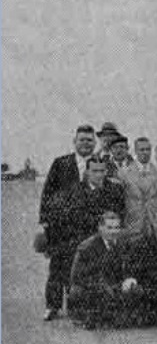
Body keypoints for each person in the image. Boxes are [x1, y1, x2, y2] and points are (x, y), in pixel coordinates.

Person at [38, 124, 97, 321]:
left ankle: (79, 306)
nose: (86, 144)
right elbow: (47, 192)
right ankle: (52, 306)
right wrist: (46, 222)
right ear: (75, 141)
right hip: (62, 227)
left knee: (84, 267)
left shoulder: (101, 164)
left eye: (90, 140)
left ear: (95, 143)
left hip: (89, 227)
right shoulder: (60, 163)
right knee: (58, 266)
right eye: (82, 140)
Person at [68, 211, 144, 329]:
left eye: (116, 228)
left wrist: (129, 279)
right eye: (109, 228)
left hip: (115, 286)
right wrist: (103, 286)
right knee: (94, 296)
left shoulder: (124, 243)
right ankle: (91, 317)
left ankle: (116, 317)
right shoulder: (87, 247)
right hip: (93, 288)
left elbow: (130, 265)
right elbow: (77, 277)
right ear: (100, 228)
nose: (113, 232)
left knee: (136, 290)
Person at [118, 137, 157, 239]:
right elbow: (120, 202)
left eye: (148, 149)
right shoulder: (123, 173)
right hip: (133, 225)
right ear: (135, 151)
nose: (145, 152)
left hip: (155, 226)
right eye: (142, 150)